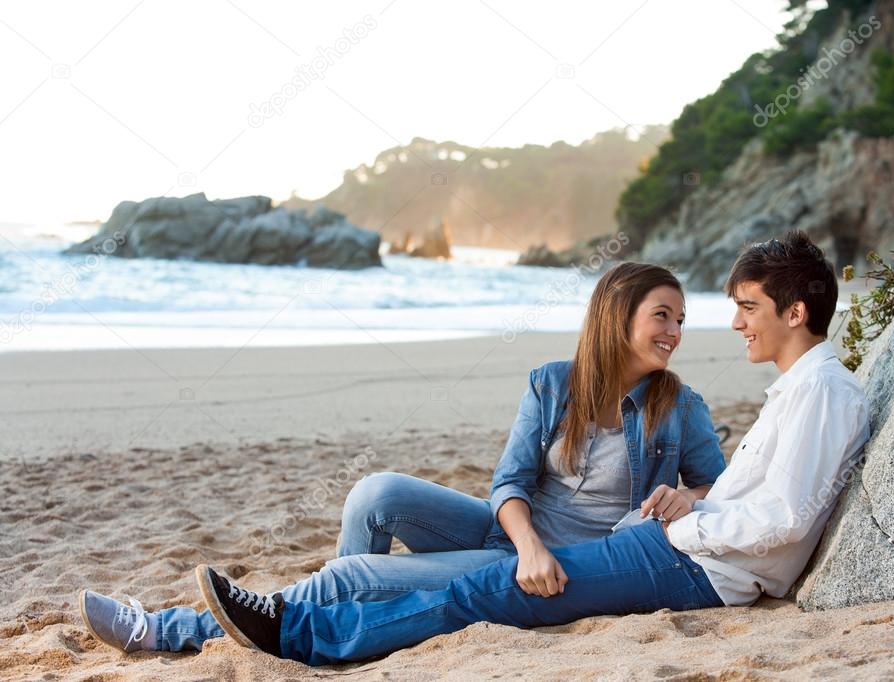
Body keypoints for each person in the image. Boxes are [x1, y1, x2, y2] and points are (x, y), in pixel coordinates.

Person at [193, 230, 872, 666]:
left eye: (746, 306)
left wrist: (691, 515)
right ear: (617, 317)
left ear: (793, 312)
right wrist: (689, 501)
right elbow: (743, 496)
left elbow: (781, 517)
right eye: (665, 315)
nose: (728, 324)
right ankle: (281, 624)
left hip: (689, 561)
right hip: (643, 545)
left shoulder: (807, 392)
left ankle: (295, 633)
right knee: (434, 547)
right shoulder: (795, 390)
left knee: (469, 591)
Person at [79, 262, 726, 653]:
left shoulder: (679, 404)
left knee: (347, 578)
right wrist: (525, 542)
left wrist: (687, 496)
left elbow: (721, 488)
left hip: (563, 566)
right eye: (661, 316)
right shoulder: (552, 382)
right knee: (375, 494)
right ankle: (332, 627)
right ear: (616, 317)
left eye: (679, 318)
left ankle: (168, 631)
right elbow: (508, 482)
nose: (674, 331)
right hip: (512, 538)